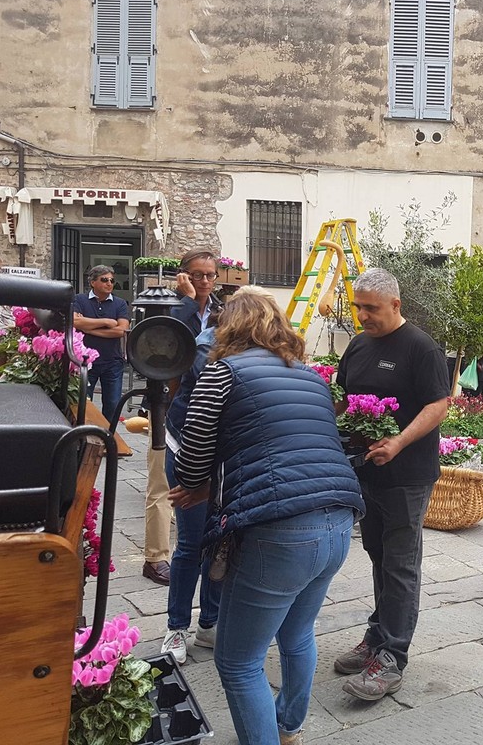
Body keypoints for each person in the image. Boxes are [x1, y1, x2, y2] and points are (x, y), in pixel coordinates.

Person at [173, 287, 364, 745]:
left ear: (227, 328)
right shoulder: (311, 376)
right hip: (338, 521)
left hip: (279, 530)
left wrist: (202, 482)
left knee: (238, 662)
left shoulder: (222, 372)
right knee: (297, 634)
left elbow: (190, 461)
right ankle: (287, 728)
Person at [332, 268, 450, 701]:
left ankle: (392, 656)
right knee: (378, 555)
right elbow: (343, 398)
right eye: (358, 307)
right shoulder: (359, 345)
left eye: (371, 308)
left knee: (400, 563)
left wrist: (398, 442)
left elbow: (439, 404)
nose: (362, 315)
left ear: (395, 305)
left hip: (406, 475)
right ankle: (377, 635)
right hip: (367, 472)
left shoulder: (421, 347)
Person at [142, 250, 224, 586]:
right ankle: (155, 557)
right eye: (196, 275)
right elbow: (163, 342)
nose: (204, 281)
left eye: (209, 275)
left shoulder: (221, 311)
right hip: (167, 404)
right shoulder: (168, 306)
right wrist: (188, 301)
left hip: (202, 408)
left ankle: (192, 549)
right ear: (183, 275)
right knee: (160, 483)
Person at [160, 325, 222, 664]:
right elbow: (203, 422)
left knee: (220, 540)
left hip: (222, 458)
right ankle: (176, 627)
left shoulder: (257, 352)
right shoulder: (205, 350)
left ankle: (210, 624)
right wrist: (199, 482)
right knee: (192, 543)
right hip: (188, 452)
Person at [72, 265, 130, 425]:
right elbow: (75, 321)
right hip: (85, 361)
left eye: (112, 280)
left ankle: (108, 436)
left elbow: (122, 330)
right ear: (92, 282)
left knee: (113, 405)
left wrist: (88, 328)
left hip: (112, 362)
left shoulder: (120, 304)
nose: (109, 283)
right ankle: (83, 434)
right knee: (83, 403)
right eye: (104, 280)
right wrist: (106, 322)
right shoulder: (79, 300)